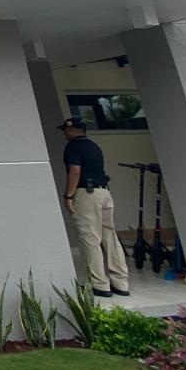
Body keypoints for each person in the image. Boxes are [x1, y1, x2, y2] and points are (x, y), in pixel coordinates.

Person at [59, 117, 130, 297]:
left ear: (72, 130)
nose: (65, 133)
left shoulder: (73, 147)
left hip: (86, 193)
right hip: (104, 192)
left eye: (66, 130)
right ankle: (121, 282)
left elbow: (75, 171)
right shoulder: (94, 146)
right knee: (109, 237)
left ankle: (99, 284)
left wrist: (68, 195)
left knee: (89, 237)